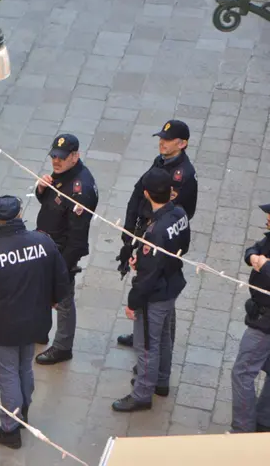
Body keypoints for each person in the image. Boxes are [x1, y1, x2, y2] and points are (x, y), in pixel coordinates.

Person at [0, 196, 70, 450]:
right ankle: (23, 411)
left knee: (7, 374)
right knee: (24, 368)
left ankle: (10, 428)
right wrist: (54, 299)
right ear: (20, 214)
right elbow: (61, 277)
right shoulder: (43, 241)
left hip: (1, 328)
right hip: (34, 322)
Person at [112, 168, 190, 412]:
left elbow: (147, 277)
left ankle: (143, 393)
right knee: (163, 337)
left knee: (146, 344)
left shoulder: (154, 230)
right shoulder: (179, 213)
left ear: (146, 193)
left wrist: (133, 302)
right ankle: (162, 381)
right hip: (172, 282)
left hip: (155, 293)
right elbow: (182, 247)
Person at [116, 120, 197, 348]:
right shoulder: (161, 161)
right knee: (145, 283)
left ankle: (157, 344)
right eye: (161, 137)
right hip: (147, 229)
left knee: (160, 291)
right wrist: (129, 232)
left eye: (168, 139)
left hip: (160, 237)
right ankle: (142, 332)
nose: (162, 142)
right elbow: (138, 193)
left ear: (182, 144)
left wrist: (148, 237)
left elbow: (176, 211)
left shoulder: (183, 175)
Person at [33, 134, 98, 365]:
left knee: (63, 299)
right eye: (53, 156)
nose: (55, 161)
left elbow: (77, 239)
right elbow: (52, 206)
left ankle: (62, 346)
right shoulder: (62, 176)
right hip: (46, 244)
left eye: (61, 157)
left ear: (75, 156)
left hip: (61, 252)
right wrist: (41, 189)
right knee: (40, 290)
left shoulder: (81, 189)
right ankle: (40, 330)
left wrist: (63, 267)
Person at [230, 203, 270, 433]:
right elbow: (254, 248)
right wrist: (253, 257)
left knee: (243, 372)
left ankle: (243, 429)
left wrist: (264, 265)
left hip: (265, 322)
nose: (267, 217)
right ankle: (264, 420)